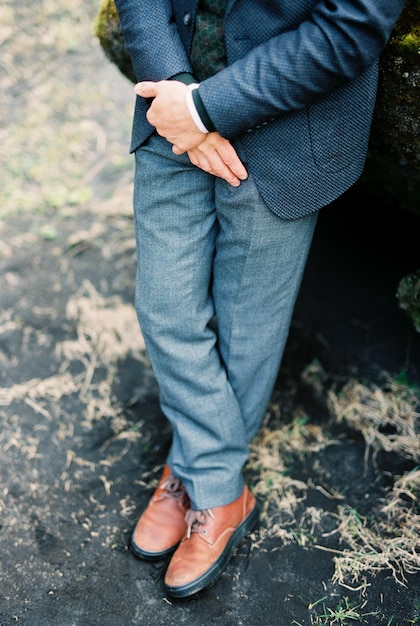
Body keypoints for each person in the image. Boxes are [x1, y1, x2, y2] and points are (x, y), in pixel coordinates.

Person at [113, 0, 406, 598]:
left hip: (291, 126)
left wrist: (206, 109)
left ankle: (194, 474)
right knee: (165, 309)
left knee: (246, 327)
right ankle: (220, 483)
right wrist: (176, 94)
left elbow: (350, 27)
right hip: (169, 103)